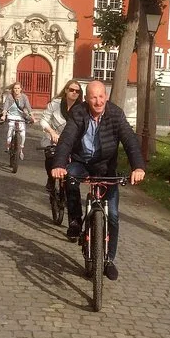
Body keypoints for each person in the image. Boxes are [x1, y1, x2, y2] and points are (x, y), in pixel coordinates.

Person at [51, 80, 145, 281]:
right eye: (93, 97)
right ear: (86, 99)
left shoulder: (116, 114)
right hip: (81, 162)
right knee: (70, 178)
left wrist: (138, 167)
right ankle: (75, 221)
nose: (98, 101)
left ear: (106, 97)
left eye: (101, 96)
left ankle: (108, 260)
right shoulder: (78, 113)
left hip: (105, 167)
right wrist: (59, 164)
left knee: (113, 215)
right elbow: (66, 139)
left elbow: (130, 140)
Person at [39, 79, 83, 192]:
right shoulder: (55, 103)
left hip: (72, 140)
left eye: (77, 91)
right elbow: (43, 120)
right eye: (71, 90)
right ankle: (51, 179)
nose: (74, 92)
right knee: (50, 157)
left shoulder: (82, 108)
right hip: (54, 138)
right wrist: (52, 132)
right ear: (66, 90)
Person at [1, 81, 33, 160]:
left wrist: (33, 117)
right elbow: (5, 107)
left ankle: (21, 149)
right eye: (15, 88)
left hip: (21, 117)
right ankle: (8, 146)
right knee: (10, 130)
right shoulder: (9, 96)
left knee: (22, 134)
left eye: (18, 88)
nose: (16, 90)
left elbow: (28, 107)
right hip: (11, 116)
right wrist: (4, 116)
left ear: (21, 89)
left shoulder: (24, 97)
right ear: (13, 89)